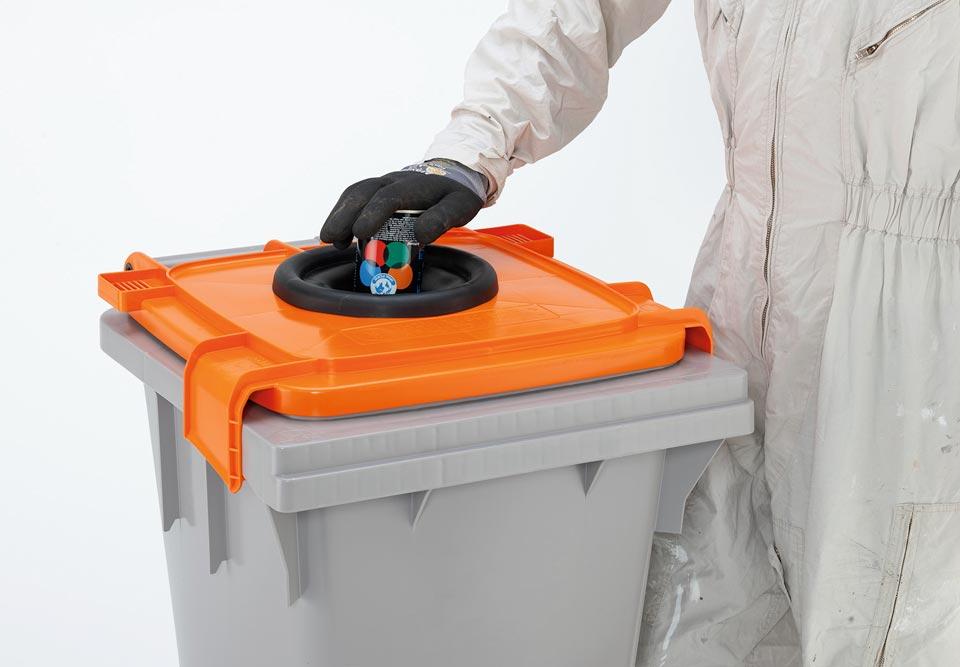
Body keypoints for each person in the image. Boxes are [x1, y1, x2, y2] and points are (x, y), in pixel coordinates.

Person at [320, 1, 960, 664]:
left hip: (917, 347)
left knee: (893, 624)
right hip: (737, 304)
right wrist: (467, 152)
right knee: (699, 623)